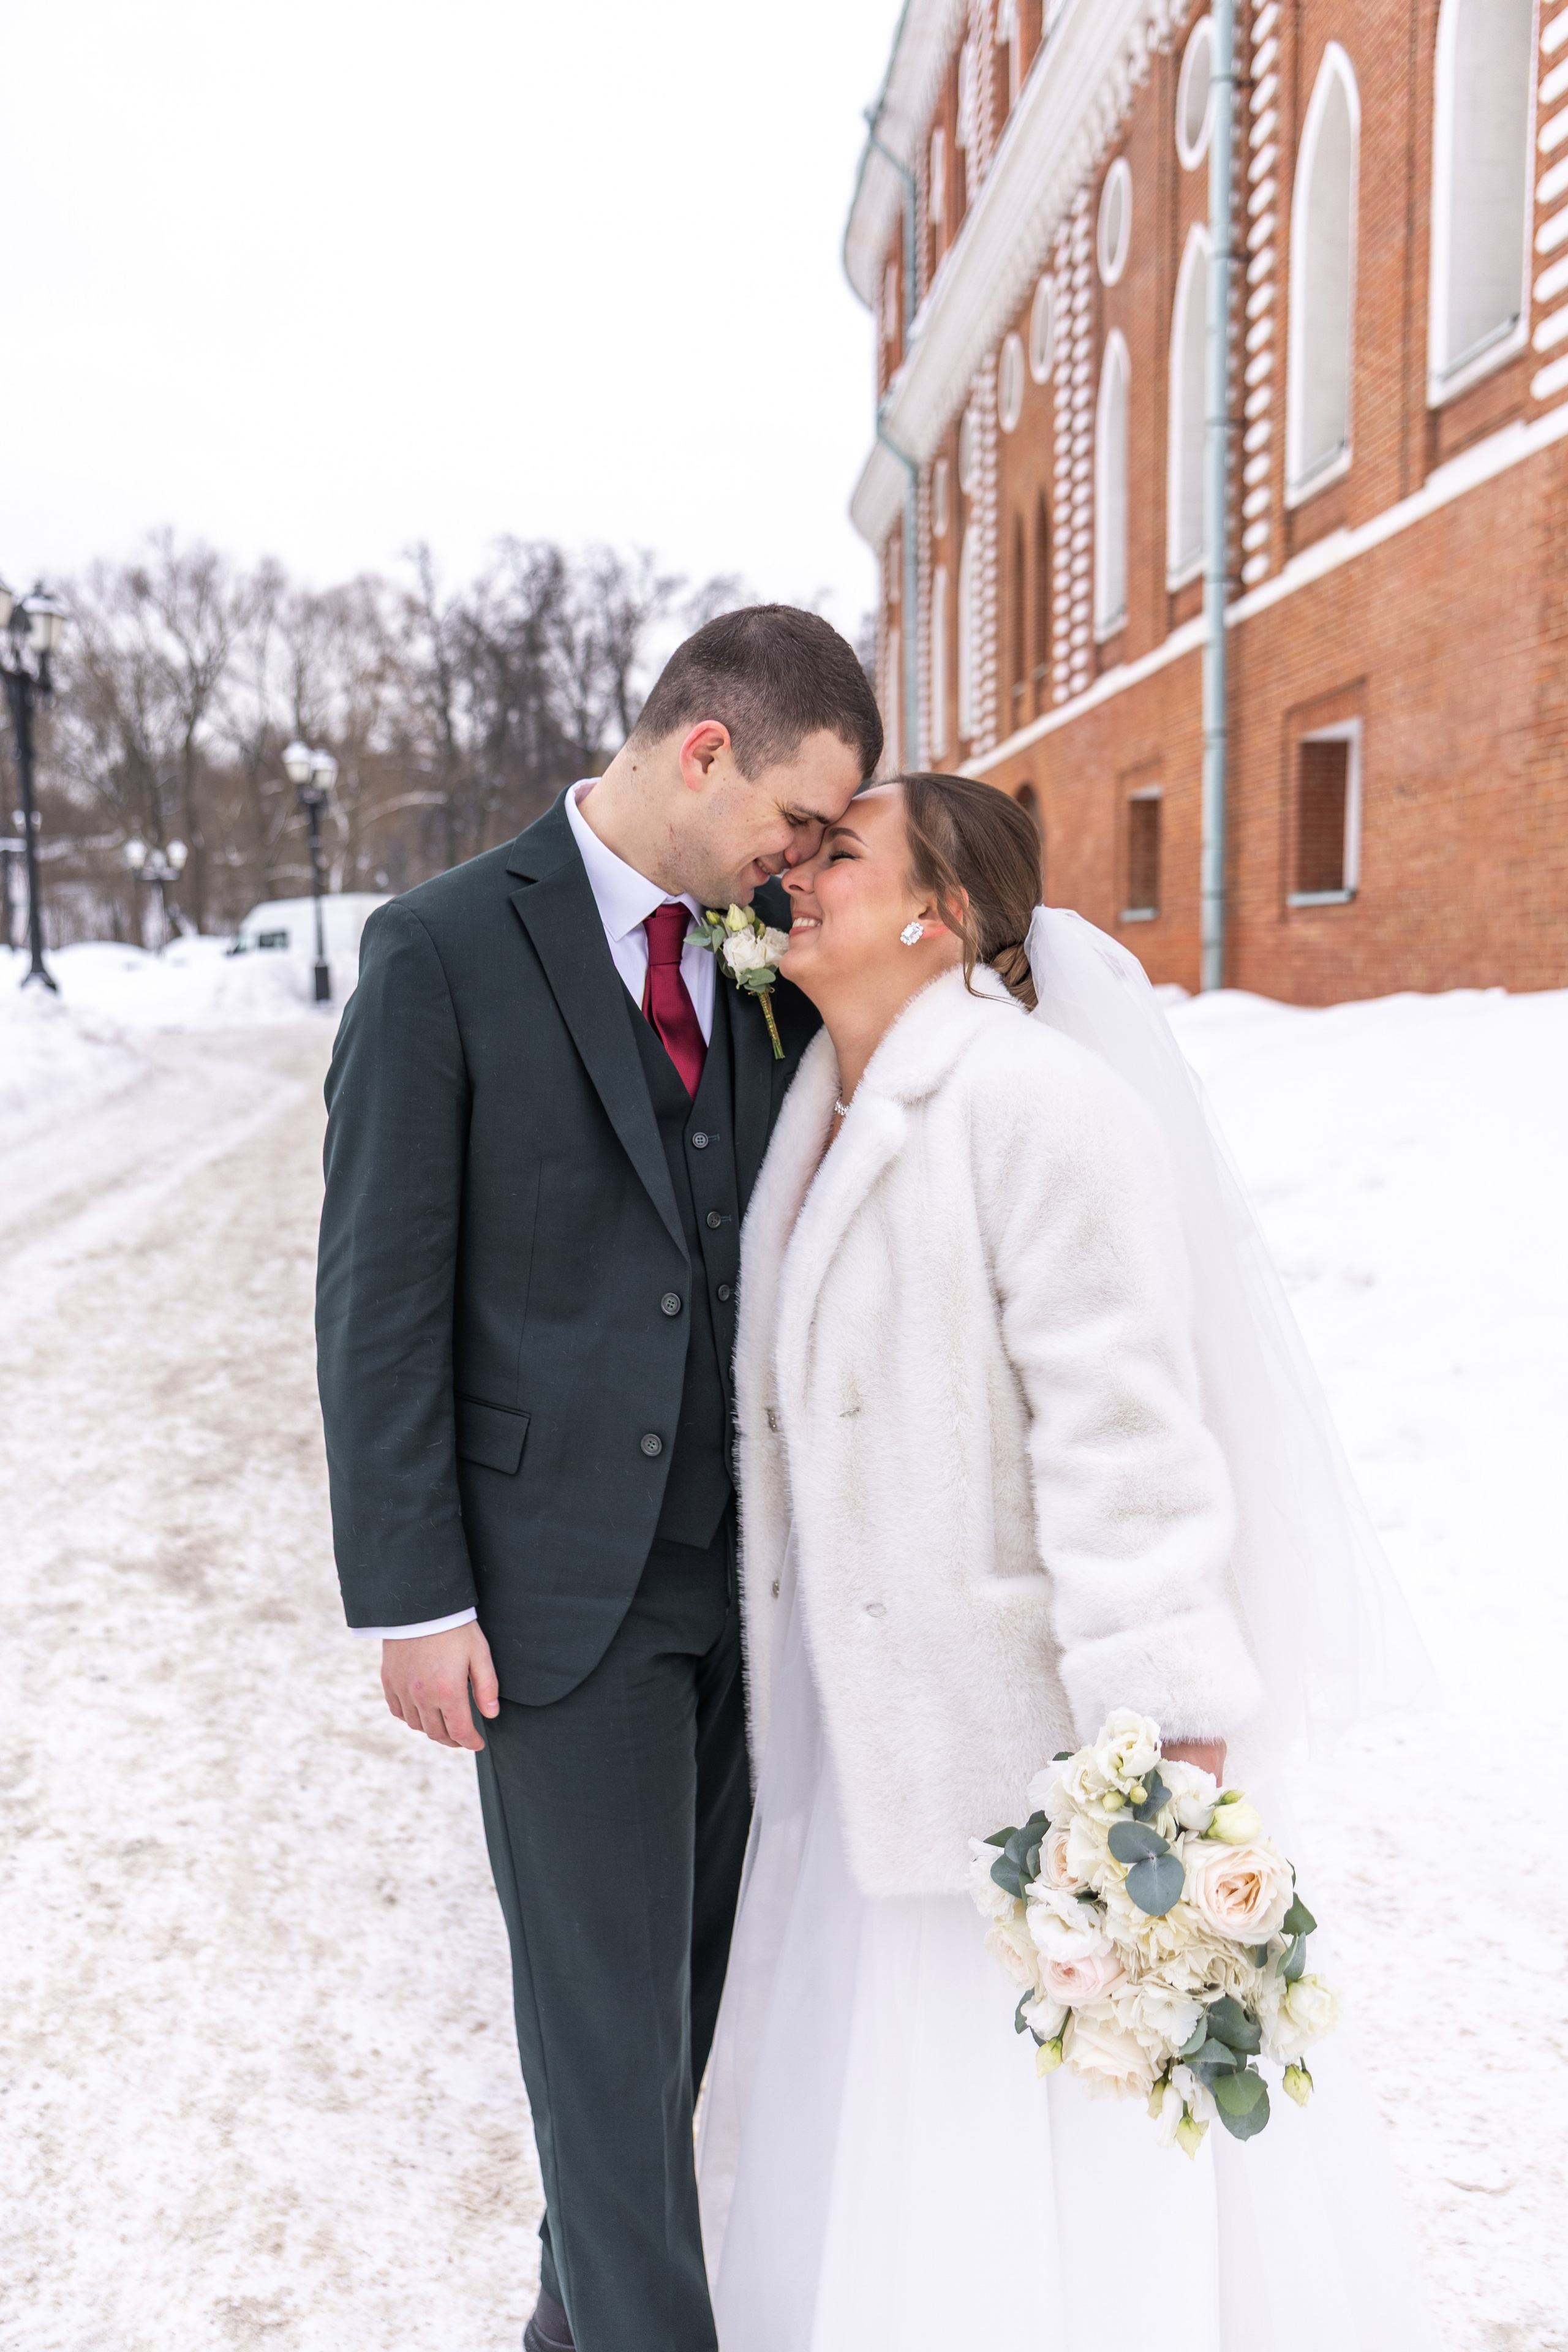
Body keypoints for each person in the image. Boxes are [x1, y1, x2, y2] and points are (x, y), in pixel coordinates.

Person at [698, 772, 1438, 2351]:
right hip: (860, 1727)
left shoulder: (1041, 1108)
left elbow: (1129, 1440)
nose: (794, 876)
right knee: (883, 2113)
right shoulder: (821, 1103)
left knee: (1020, 2119)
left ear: (941, 909)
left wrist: (1160, 1731)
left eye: (839, 853)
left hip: (1013, 1745)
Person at [314, 606, 882, 2352]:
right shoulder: (443, 951)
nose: (803, 864)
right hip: (561, 1602)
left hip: (753, 1593)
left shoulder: (760, 958)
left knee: (680, 2033)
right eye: (799, 821)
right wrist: (414, 1597)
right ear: (704, 751)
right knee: (605, 2047)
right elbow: (379, 1296)